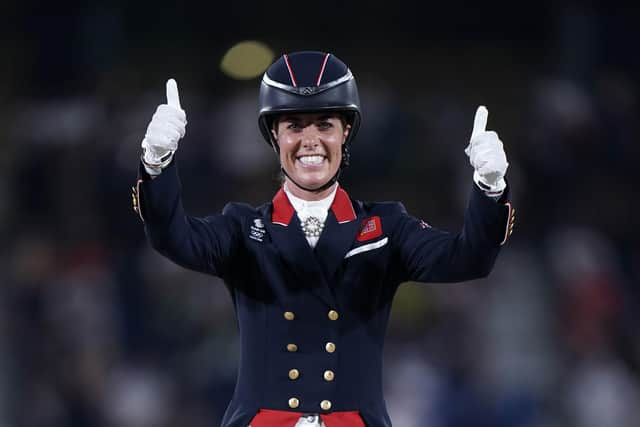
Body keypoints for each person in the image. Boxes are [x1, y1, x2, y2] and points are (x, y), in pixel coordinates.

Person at [132, 51, 515, 427]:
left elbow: (469, 258)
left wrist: (490, 190)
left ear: (345, 132)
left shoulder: (385, 227)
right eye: (295, 126)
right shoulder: (243, 229)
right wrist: (157, 163)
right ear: (275, 136)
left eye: (324, 124)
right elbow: (172, 237)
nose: (310, 140)